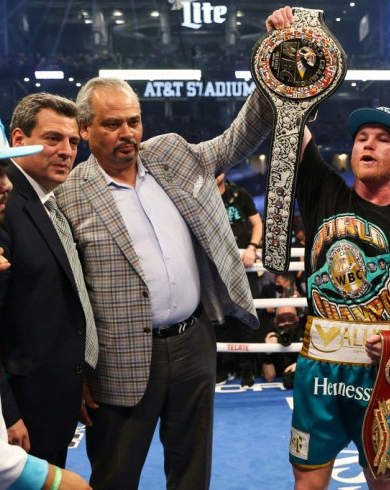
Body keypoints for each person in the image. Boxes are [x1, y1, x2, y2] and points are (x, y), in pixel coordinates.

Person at [54, 19, 275, 486]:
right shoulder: (70, 195)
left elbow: (239, 138)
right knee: (115, 476)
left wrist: (272, 61)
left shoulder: (172, 155)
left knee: (192, 472)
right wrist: (77, 374)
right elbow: (63, 298)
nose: (126, 133)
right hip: (119, 360)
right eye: (112, 124)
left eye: (133, 121)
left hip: (194, 342)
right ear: (85, 129)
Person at [272, 8, 390, 490]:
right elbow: (292, 124)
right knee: (307, 483)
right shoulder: (324, 191)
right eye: (361, 137)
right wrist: (290, 48)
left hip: (387, 370)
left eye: (382, 139)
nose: (368, 145)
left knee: (383, 480)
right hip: (318, 370)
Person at [0, 94, 90, 489]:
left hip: (34, 406)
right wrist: (9, 413)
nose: (5, 183)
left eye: (73, 142)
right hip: (16, 412)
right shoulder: (0, 212)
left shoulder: (49, 202)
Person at [215, 172, 263, 386]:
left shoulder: (240, 195)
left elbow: (257, 224)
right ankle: (224, 368)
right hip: (216, 267)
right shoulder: (202, 196)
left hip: (244, 264)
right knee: (220, 319)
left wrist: (252, 247)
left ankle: (246, 369)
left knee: (245, 317)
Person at [262, 305, 301, 388]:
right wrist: (268, 351)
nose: (286, 323)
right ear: (275, 321)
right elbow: (269, 377)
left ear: (297, 319)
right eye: (281, 319)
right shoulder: (271, 336)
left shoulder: (306, 334)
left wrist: (302, 365)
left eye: (291, 319)